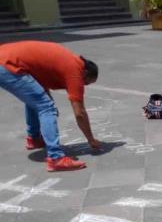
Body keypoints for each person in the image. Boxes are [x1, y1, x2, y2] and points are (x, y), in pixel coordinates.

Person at [0, 41, 102, 171]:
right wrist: (91, 139)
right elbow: (79, 113)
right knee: (47, 107)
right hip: (7, 65)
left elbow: (40, 83)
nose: (82, 86)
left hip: (6, 59)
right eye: (86, 83)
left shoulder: (69, 61)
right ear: (85, 74)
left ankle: (34, 138)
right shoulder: (75, 71)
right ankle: (56, 158)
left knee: (36, 100)